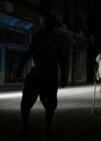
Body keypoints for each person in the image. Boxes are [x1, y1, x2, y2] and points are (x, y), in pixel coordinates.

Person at [15, 13, 67, 141]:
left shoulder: (58, 39)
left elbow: (62, 59)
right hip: (36, 75)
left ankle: (47, 130)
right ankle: (25, 129)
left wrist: (64, 75)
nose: (48, 25)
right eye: (47, 22)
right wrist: (20, 67)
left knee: (49, 106)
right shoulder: (38, 36)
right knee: (26, 104)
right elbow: (28, 53)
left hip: (49, 77)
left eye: (50, 23)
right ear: (45, 23)